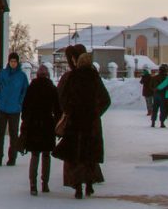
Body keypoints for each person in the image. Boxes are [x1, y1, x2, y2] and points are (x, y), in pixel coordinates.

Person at [54, 47, 111, 200]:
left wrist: (69, 111)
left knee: (75, 157)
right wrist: (95, 113)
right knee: (89, 155)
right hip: (91, 125)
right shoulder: (95, 78)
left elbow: (63, 99)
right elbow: (106, 100)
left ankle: (78, 187)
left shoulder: (72, 77)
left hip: (75, 123)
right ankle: (90, 185)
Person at [20, 65, 61, 195]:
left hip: (34, 125)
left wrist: (25, 121)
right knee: (46, 155)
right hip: (48, 125)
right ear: (47, 75)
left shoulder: (32, 88)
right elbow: (57, 109)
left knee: (35, 155)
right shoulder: (52, 88)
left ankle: (33, 184)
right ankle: (45, 184)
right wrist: (57, 123)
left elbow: (25, 107)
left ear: (37, 75)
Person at [0, 51, 29, 166]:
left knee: (13, 134)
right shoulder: (3, 74)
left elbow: (25, 91)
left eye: (15, 61)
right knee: (0, 133)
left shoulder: (22, 76)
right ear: (8, 62)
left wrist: (20, 102)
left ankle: (12, 158)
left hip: (15, 109)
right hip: (3, 107)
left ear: (17, 62)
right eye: (11, 61)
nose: (13, 63)